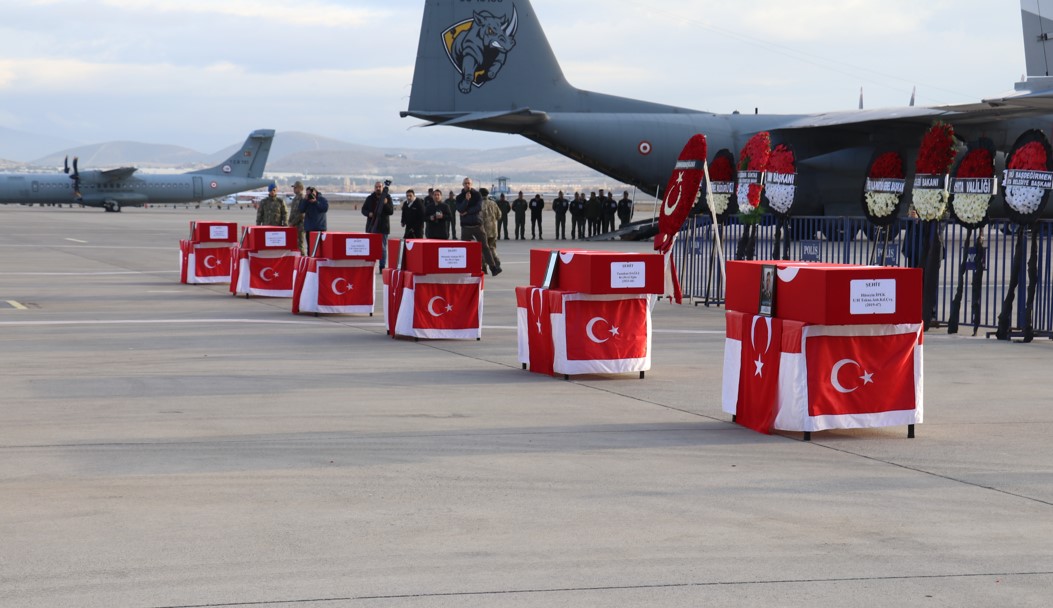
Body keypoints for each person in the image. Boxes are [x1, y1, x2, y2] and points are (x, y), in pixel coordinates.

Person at [456, 177, 501, 276]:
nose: (467, 185)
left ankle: (493, 267)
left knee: (485, 247)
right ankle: (464, 267)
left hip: (477, 225)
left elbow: (478, 207)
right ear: (463, 185)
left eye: (469, 183)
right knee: (464, 248)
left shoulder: (477, 195)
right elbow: (460, 209)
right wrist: (466, 201)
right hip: (466, 227)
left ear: (471, 184)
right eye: (465, 183)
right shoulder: (459, 197)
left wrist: (467, 211)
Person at [362, 180, 394, 271]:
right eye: (376, 187)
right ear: (374, 188)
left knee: (382, 248)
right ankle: (370, 265)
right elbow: (363, 210)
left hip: (383, 227)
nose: (378, 188)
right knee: (370, 247)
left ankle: (382, 266)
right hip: (371, 226)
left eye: (380, 187)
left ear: (383, 188)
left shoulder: (387, 198)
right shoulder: (370, 198)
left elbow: (391, 211)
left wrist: (385, 204)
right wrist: (369, 214)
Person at [479, 187, 502, 275]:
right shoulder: (493, 203)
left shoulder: (479, 204)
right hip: (493, 230)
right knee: (492, 248)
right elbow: (499, 215)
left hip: (483, 231)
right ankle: (497, 263)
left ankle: (484, 267)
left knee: (483, 250)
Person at [299, 186, 329, 251]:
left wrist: (316, 202)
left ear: (315, 192)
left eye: (310, 194)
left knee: (320, 248)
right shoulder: (306, 200)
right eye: (307, 194)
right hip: (309, 228)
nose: (309, 195)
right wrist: (304, 200)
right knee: (310, 248)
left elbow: (324, 209)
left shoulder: (322, 199)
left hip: (319, 228)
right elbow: (301, 209)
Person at [287, 181, 307, 254]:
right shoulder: (295, 198)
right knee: (294, 245)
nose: (294, 189)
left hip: (300, 226)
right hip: (294, 225)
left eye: (296, 187)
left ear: (300, 188)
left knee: (300, 245)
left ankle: (303, 260)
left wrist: (292, 223)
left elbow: (301, 214)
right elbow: (293, 212)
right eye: (294, 188)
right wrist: (289, 222)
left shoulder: (302, 198)